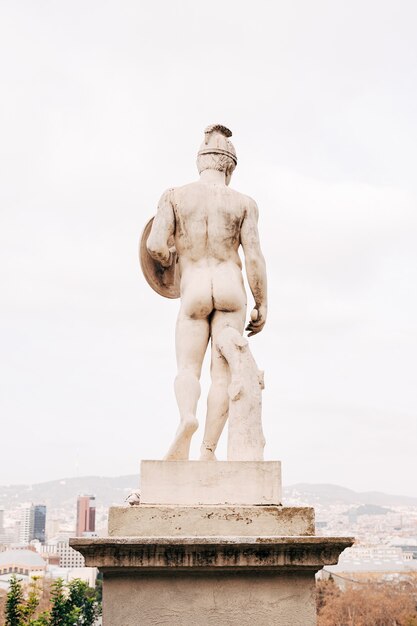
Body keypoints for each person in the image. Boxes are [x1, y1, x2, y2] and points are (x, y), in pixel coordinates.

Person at [146, 124, 267, 460]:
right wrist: (262, 303)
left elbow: (155, 244)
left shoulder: (174, 196)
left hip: (194, 288)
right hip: (230, 288)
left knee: (188, 368)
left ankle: (187, 417)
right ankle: (208, 450)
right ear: (228, 167)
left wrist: (170, 257)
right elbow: (254, 257)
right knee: (222, 375)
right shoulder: (244, 204)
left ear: (201, 162)